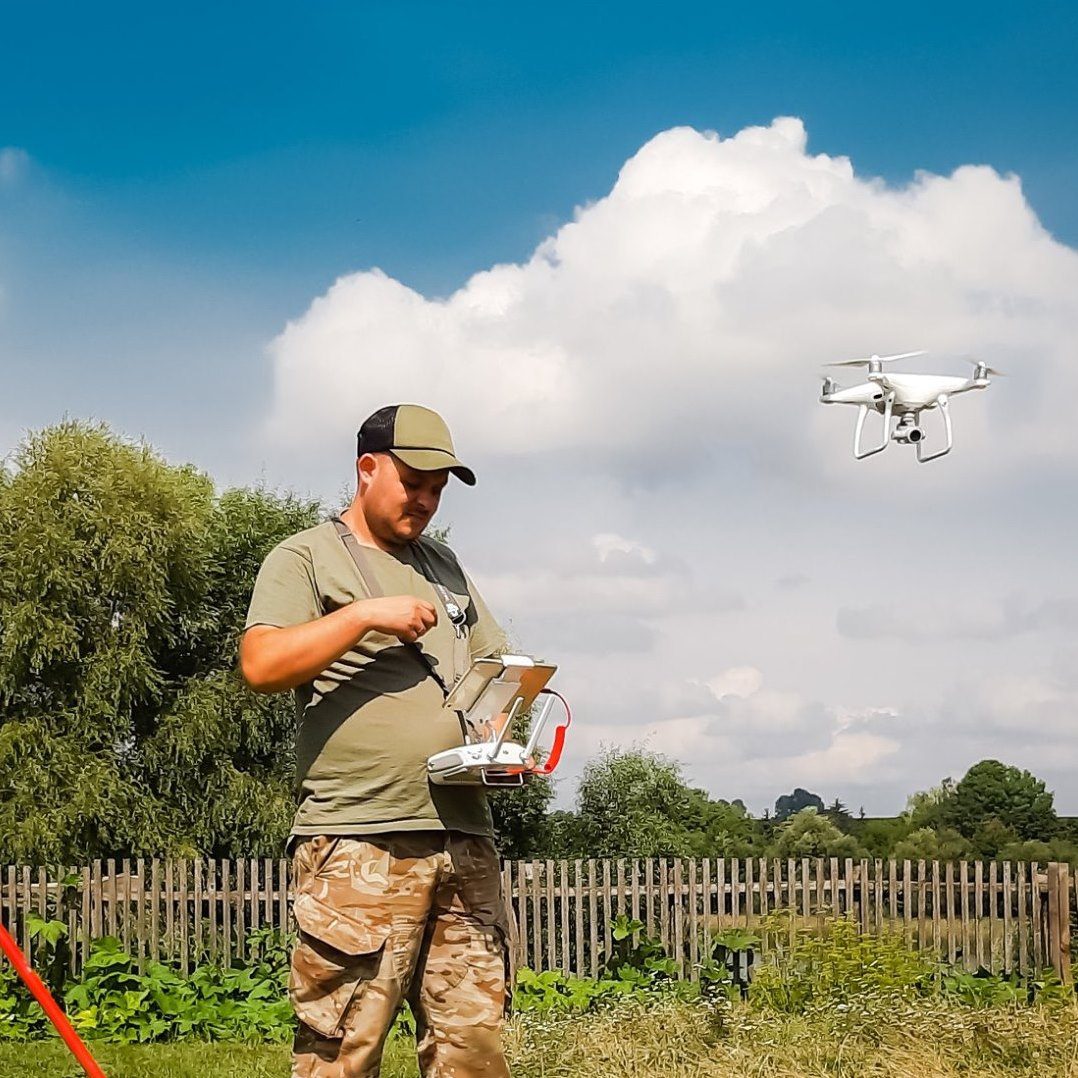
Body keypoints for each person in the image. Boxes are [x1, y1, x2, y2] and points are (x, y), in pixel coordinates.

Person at [240, 404, 513, 1078]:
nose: (425, 501)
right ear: (367, 468)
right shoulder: (305, 557)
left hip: (463, 836)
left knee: (474, 1051)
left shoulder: (444, 565)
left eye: (437, 489)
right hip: (360, 838)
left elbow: (496, 671)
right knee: (343, 1051)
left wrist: (502, 744)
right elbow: (262, 665)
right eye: (413, 483)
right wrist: (362, 616)